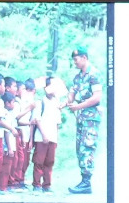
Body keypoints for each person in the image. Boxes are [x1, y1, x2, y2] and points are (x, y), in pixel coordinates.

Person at [64, 47, 102, 195]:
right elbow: (72, 96)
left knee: (87, 147)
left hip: (90, 118)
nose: (75, 62)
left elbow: (97, 97)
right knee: (80, 149)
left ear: (84, 58)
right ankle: (84, 181)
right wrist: (68, 99)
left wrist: (78, 106)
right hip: (81, 117)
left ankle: (86, 183)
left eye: (76, 59)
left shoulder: (94, 74)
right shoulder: (78, 77)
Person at [32, 75, 61, 193]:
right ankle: (36, 184)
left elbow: (57, 122)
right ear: (46, 88)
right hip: (41, 137)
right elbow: (37, 120)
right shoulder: (40, 102)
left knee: (50, 161)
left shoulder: (57, 103)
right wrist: (44, 135)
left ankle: (47, 185)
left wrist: (56, 137)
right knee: (39, 161)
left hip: (52, 136)